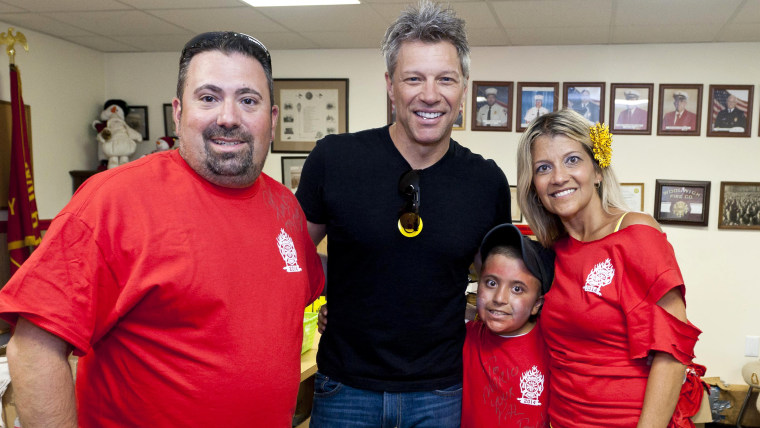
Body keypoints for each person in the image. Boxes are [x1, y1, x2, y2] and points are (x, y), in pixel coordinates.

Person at [0, 31, 324, 428]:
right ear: (178, 111)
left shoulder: (286, 207)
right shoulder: (113, 200)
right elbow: (33, 348)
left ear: (271, 119)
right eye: (208, 98)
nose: (228, 116)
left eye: (248, 100)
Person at [295, 1, 511, 426]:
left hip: (439, 393)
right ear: (391, 85)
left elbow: (498, 280)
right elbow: (291, 256)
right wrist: (332, 296)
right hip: (344, 388)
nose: (430, 95)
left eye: (445, 79)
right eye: (414, 78)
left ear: (463, 89)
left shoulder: (486, 182)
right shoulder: (335, 159)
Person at [516, 109, 702, 427]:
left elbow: (670, 356)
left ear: (598, 170)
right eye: (544, 168)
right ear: (533, 185)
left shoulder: (636, 234)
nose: (559, 177)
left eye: (572, 160)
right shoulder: (547, 252)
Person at [461, 223, 554, 428]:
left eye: (517, 289)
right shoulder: (465, 337)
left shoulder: (552, 347)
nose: (500, 298)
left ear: (536, 305)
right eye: (491, 283)